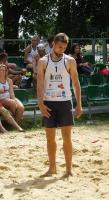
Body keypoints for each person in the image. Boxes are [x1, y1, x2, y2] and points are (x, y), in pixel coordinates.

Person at [37, 33, 82, 177]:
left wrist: (79, 104)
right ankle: (52, 168)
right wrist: (41, 103)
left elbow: (76, 83)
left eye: (64, 47)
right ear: (53, 44)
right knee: (50, 138)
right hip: (49, 102)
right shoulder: (43, 61)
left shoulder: (70, 61)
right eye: (59, 46)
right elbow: (40, 83)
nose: (61, 49)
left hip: (65, 102)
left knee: (67, 137)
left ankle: (69, 169)